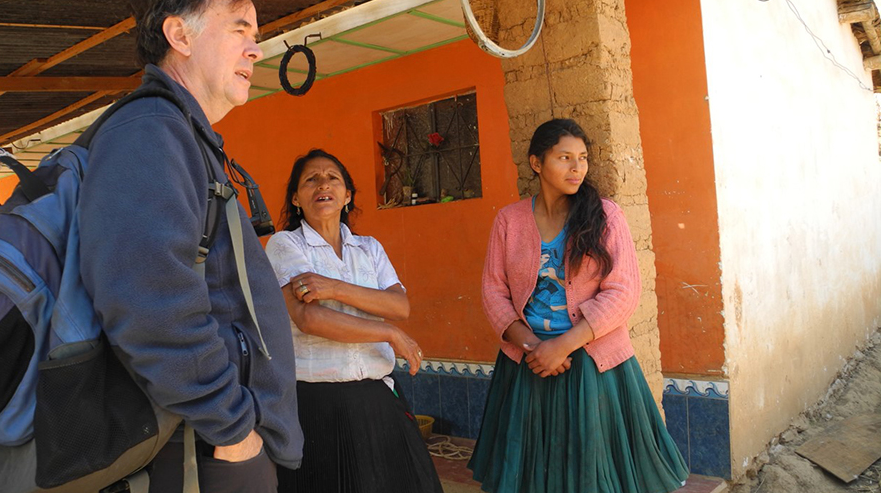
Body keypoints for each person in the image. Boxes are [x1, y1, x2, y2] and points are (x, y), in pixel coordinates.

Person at [78, 0, 303, 492]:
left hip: (205, 435)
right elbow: (148, 302)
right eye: (240, 29)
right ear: (178, 34)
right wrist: (231, 427)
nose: (257, 49)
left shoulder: (178, 133)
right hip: (192, 445)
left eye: (258, 35)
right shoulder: (149, 132)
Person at [468, 118, 689, 493]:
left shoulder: (605, 215)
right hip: (529, 362)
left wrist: (563, 345)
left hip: (591, 360)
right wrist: (534, 347)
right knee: (530, 474)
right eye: (565, 157)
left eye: (583, 158)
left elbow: (623, 292)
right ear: (537, 163)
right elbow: (493, 290)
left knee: (593, 472)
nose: (577, 168)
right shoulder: (509, 221)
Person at [265, 149, 443, 493]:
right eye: (310, 180)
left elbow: (399, 305)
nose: (322, 185)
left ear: (347, 195)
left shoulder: (369, 248)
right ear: (296, 198)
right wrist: (388, 333)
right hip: (316, 403)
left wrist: (332, 287)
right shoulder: (284, 245)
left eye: (332, 177)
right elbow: (309, 317)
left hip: (376, 397)